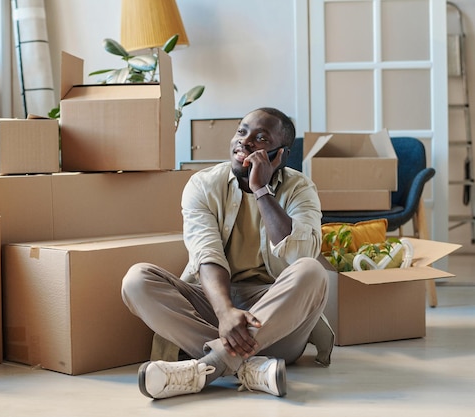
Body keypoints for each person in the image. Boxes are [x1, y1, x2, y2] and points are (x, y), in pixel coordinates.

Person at [121, 107, 334, 400]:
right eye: (242, 131)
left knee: (312, 271)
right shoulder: (203, 184)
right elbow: (205, 254)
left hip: (277, 319)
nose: (244, 142)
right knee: (137, 281)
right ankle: (249, 367)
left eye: (260, 138)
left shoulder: (300, 188)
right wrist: (224, 312)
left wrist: (261, 191)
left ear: (280, 154)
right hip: (215, 308)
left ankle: (206, 367)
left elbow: (300, 254)